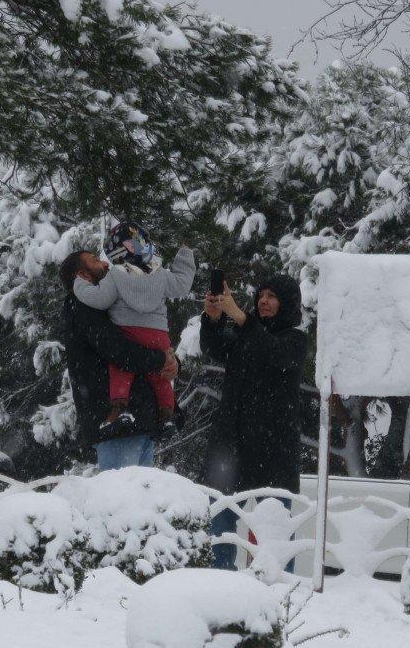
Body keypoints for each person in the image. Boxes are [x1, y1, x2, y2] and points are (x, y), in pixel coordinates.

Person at [200, 275, 308, 569]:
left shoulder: (295, 339)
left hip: (273, 450)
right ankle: (220, 583)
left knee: (273, 535)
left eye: (272, 296)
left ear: (287, 303)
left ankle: (277, 596)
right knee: (220, 522)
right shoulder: (244, 334)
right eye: (261, 294)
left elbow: (273, 352)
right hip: (232, 445)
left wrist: (240, 318)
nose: (263, 301)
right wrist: (212, 320)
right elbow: (215, 348)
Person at [59, 249, 179, 469]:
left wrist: (170, 361)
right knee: (124, 498)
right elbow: (118, 350)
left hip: (137, 420)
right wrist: (160, 360)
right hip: (116, 424)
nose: (105, 264)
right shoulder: (82, 306)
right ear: (82, 276)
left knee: (139, 500)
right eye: (95, 261)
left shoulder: (108, 301)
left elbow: (142, 335)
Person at [72, 221, 194, 429]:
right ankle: (168, 414)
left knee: (121, 369)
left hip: (128, 332)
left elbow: (101, 299)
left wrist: (79, 284)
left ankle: (120, 408)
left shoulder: (115, 275)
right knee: (161, 377)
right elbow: (182, 285)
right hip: (158, 335)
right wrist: (184, 254)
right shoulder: (161, 274)